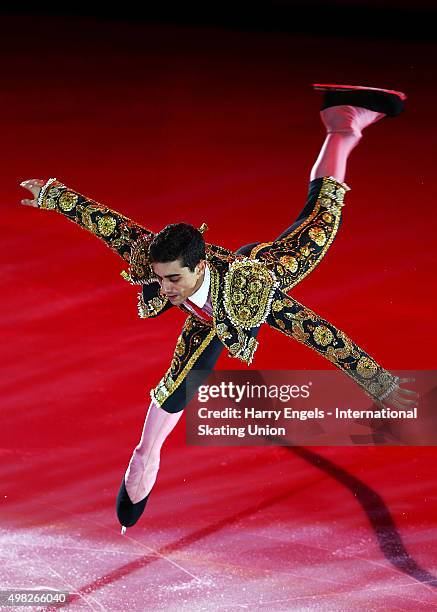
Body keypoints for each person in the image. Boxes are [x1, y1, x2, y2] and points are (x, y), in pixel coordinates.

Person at [20, 84, 417, 533]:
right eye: (159, 277)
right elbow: (110, 224)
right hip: (211, 305)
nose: (164, 288)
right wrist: (54, 197)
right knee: (176, 389)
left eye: (174, 279)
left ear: (198, 265)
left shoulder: (252, 294)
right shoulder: (158, 262)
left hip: (265, 273)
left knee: (324, 214)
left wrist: (372, 377)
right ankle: (145, 457)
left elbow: (314, 330)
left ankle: (342, 125)